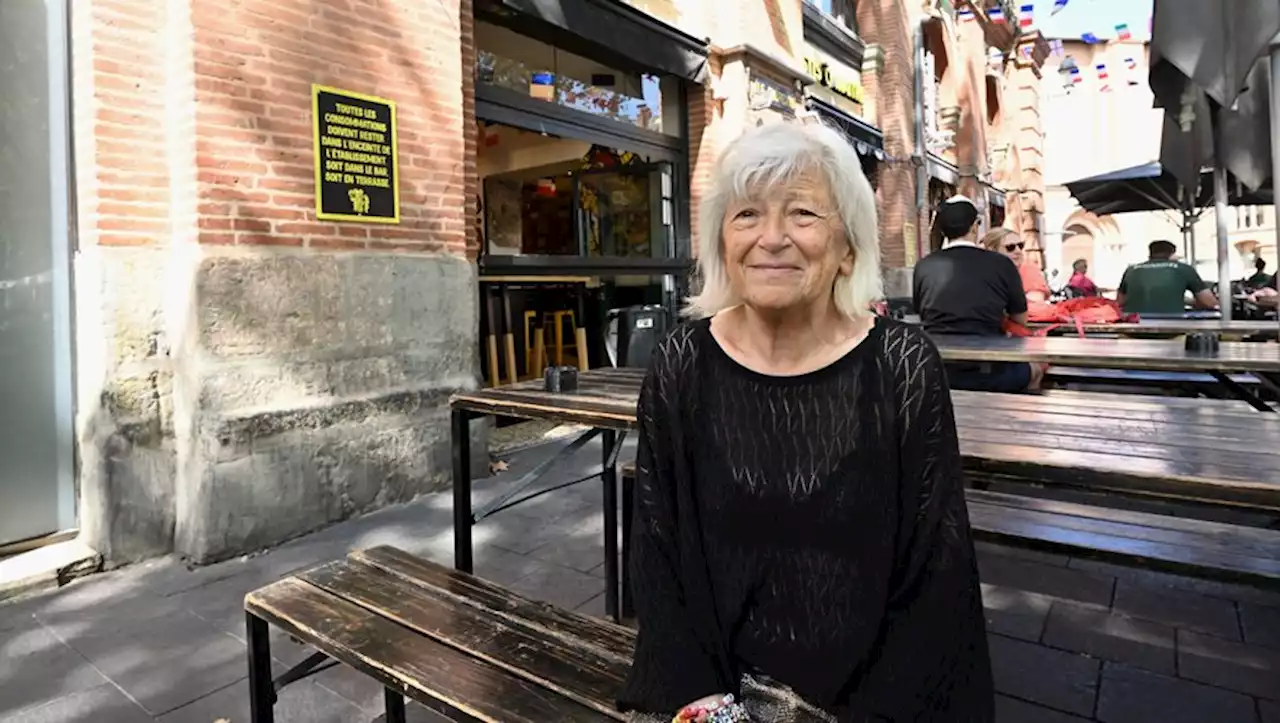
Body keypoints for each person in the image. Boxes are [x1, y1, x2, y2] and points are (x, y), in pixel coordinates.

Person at [619, 121, 994, 722]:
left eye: (802, 214)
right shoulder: (681, 360)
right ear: (721, 242)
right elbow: (656, 543)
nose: (771, 238)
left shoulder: (902, 366)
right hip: (718, 687)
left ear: (848, 247)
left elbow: (936, 570)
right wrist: (702, 696)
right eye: (746, 215)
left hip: (867, 697)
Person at [913, 196, 1042, 392]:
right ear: (974, 227)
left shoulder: (923, 266)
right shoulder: (1001, 263)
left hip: (937, 372)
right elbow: (1021, 319)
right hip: (990, 370)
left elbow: (922, 313)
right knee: (1036, 369)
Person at [1116, 240, 1218, 316]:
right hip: (1171, 327)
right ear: (1172, 254)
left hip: (1133, 326)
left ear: (1150, 254)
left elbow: (1120, 301)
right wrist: (1191, 302)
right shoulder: (1184, 268)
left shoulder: (1131, 269)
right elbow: (1209, 302)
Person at [982, 227, 1050, 303]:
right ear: (992, 250)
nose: (1018, 251)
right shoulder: (981, 272)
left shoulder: (1028, 269)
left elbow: (1035, 304)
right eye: (1010, 247)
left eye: (1020, 246)